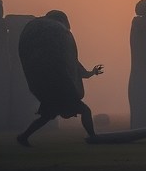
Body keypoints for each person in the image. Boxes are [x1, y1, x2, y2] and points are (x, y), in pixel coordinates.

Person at [16, 10, 104, 147]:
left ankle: (23, 136)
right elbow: (74, 67)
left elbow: (74, 66)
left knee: (45, 117)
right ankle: (92, 136)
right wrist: (90, 73)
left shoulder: (40, 37)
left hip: (48, 88)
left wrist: (92, 72)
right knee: (85, 111)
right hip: (62, 88)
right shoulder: (60, 37)